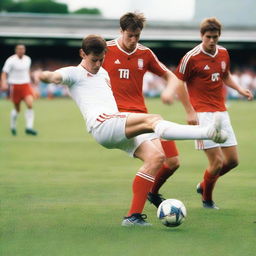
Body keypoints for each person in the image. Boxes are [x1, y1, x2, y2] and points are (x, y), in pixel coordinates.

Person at [39, 34, 227, 226]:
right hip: (102, 124)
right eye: (93, 60)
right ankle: (208, 132)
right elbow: (54, 76)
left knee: (156, 158)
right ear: (82, 54)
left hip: (114, 126)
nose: (97, 64)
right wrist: (44, 76)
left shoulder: (103, 73)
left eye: (101, 59)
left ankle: (133, 217)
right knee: (154, 119)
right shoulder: (73, 73)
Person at [162, 17, 253, 209]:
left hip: (221, 112)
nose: (212, 41)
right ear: (201, 35)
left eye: (215, 37)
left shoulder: (223, 53)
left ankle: (204, 184)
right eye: (208, 37)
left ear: (219, 36)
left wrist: (239, 89)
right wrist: (189, 112)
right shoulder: (191, 57)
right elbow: (178, 82)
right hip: (202, 115)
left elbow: (225, 75)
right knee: (217, 162)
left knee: (232, 161)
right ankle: (207, 199)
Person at [102, 12, 181, 209]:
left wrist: (169, 92)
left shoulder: (145, 53)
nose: (133, 40)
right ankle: (133, 215)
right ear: (121, 31)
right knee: (156, 157)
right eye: (130, 35)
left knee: (173, 162)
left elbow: (171, 77)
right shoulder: (105, 50)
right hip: (119, 118)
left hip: (143, 117)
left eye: (137, 36)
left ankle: (151, 193)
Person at [1, 44, 38, 136]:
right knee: (17, 109)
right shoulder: (11, 60)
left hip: (25, 84)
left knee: (30, 104)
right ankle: (13, 126)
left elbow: (27, 71)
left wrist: (33, 81)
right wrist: (4, 83)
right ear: (16, 50)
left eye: (23, 49)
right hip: (15, 86)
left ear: (24, 50)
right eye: (19, 49)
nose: (21, 50)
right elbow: (4, 73)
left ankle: (29, 128)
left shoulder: (27, 59)